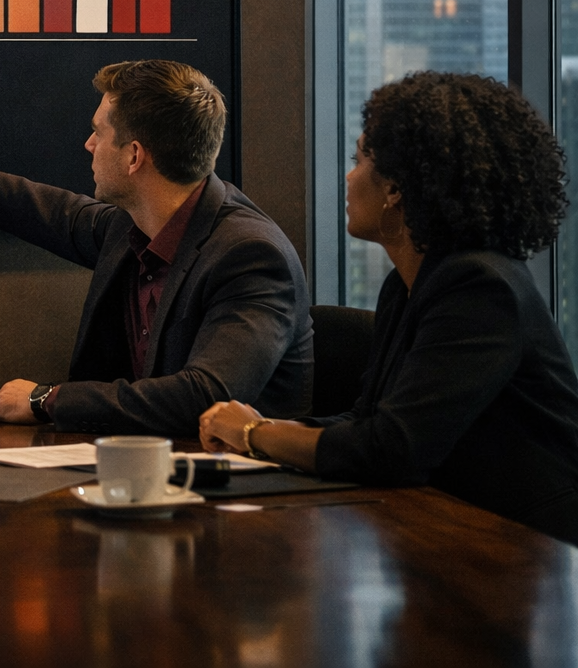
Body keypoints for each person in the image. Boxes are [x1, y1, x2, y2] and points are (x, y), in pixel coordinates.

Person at [201, 72, 578, 544]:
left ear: (396, 187)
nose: (348, 175)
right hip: (455, 529)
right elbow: (368, 422)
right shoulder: (407, 286)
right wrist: (265, 432)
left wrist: (256, 433)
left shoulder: (480, 287)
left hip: (532, 550)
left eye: (359, 159)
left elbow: (393, 448)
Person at [0, 59, 311, 436]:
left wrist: (47, 400)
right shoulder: (135, 226)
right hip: (146, 476)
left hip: (243, 499)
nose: (89, 145)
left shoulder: (251, 255)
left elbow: (206, 398)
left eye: (98, 133)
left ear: (134, 156)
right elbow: (52, 212)